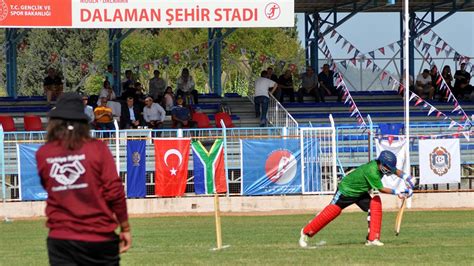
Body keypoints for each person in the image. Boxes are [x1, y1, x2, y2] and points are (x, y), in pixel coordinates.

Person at [36, 92, 131, 265]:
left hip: (61, 240)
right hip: (100, 237)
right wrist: (125, 227)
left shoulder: (44, 153)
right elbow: (115, 191)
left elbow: (48, 185)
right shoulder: (97, 149)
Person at [299, 150, 414, 248]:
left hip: (360, 193)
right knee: (331, 212)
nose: (389, 170)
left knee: (375, 205)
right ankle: (306, 232)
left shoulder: (382, 165)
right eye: (388, 168)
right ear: (382, 164)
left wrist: (407, 178)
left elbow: (396, 170)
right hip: (346, 191)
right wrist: (398, 192)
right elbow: (381, 189)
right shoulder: (372, 171)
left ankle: (372, 239)